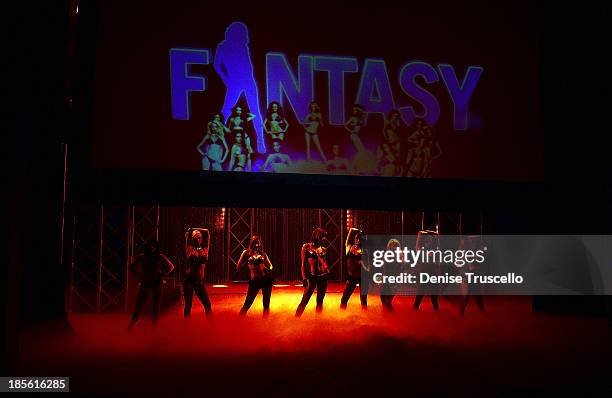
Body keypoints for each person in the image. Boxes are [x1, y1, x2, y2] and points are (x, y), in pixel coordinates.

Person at [214, 21, 266, 153]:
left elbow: (248, 66)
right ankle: (218, 139)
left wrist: (247, 81)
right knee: (225, 111)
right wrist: (227, 79)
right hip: (236, 82)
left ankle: (260, 140)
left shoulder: (243, 47)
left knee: (255, 111)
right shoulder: (223, 47)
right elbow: (216, 65)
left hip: (248, 81)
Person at [128, 239, 174, 329]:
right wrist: (139, 276)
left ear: (156, 247)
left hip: (156, 283)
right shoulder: (143, 257)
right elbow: (131, 267)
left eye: (154, 246)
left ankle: (154, 329)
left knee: (156, 307)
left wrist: (162, 274)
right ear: (147, 247)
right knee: (139, 307)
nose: (152, 248)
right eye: (150, 246)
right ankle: (130, 328)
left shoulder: (159, 256)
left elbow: (171, 267)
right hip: (147, 283)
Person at [295, 228, 330, 316]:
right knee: (304, 300)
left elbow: (325, 265)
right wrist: (304, 278)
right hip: (312, 278)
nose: (324, 239)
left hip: (323, 277)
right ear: (317, 236)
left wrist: (325, 266)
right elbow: (302, 264)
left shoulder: (323, 249)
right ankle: (296, 319)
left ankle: (317, 322)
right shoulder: (306, 247)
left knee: (320, 302)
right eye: (323, 237)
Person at [236, 235, 274, 316]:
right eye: (254, 243)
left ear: (260, 244)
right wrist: (249, 263)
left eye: (258, 243)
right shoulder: (246, 253)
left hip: (266, 280)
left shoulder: (263, 253)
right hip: (255, 281)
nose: (256, 245)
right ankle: (238, 323)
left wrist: (265, 267)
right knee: (247, 304)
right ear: (251, 243)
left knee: (266, 305)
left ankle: (266, 325)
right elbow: (238, 267)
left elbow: (271, 265)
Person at [183, 228, 212, 317]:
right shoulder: (190, 249)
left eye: (199, 237)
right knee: (188, 305)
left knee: (207, 304)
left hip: (199, 280)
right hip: (189, 279)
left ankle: (211, 327)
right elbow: (187, 234)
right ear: (192, 239)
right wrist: (190, 232)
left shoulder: (204, 249)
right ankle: (186, 327)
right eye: (196, 238)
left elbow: (207, 232)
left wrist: (196, 229)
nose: (198, 239)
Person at [340, 228, 370, 309]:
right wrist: (356, 230)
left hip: (363, 277)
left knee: (363, 299)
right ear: (354, 239)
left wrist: (363, 263)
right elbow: (349, 236)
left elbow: (368, 266)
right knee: (344, 298)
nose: (358, 240)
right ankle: (341, 317)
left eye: (360, 239)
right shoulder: (349, 247)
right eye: (356, 238)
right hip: (352, 277)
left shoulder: (364, 250)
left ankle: (365, 317)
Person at [458, 235, 485, 316]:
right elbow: (460, 259)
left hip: (474, 273)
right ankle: (461, 313)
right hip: (466, 273)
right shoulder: (464, 245)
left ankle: (481, 310)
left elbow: (480, 256)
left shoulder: (479, 245)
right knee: (465, 294)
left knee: (477, 293)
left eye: (475, 239)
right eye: (472, 239)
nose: (473, 241)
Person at [413, 230, 440, 311]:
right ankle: (415, 312)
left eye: (430, 239)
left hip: (431, 274)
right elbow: (417, 246)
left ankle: (437, 315)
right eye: (428, 239)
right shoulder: (424, 250)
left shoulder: (434, 251)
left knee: (433, 298)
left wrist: (429, 233)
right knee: (420, 296)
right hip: (425, 274)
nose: (429, 241)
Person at [380, 238, 401, 311]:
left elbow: (400, 270)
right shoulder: (387, 255)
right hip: (386, 281)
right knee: (384, 302)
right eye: (393, 246)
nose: (395, 247)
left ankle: (391, 318)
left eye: (396, 246)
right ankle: (387, 318)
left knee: (388, 302)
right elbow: (384, 269)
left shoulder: (400, 256)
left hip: (393, 281)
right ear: (390, 247)